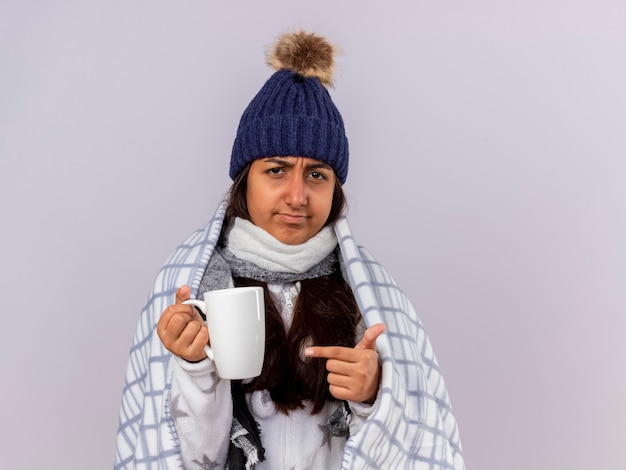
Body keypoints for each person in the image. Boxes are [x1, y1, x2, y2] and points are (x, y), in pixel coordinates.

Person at [114, 30, 464, 469]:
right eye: (277, 170)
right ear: (245, 180)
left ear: (336, 188)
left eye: (316, 175)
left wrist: (375, 393)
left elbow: (415, 439)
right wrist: (192, 368)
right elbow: (187, 456)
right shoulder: (191, 284)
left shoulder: (367, 292)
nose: (297, 196)